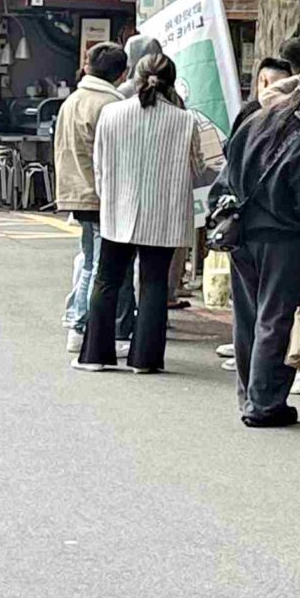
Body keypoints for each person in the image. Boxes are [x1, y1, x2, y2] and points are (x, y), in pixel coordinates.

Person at [76, 54, 224, 374]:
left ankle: (95, 356)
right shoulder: (185, 120)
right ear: (171, 81)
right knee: (154, 283)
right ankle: (145, 359)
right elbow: (200, 169)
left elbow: (99, 166)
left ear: (135, 76)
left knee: (107, 280)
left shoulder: (111, 113)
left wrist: (109, 196)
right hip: (166, 212)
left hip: (117, 208)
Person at [216, 61, 300, 426]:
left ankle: (248, 394)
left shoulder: (254, 120)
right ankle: (264, 403)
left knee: (247, 316)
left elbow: (227, 172)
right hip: (283, 237)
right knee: (275, 317)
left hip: (240, 231)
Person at [56, 42, 130, 359]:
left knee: (89, 261)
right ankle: (81, 325)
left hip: (75, 191)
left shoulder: (74, 100)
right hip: (100, 195)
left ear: (87, 67)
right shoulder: (109, 106)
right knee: (100, 265)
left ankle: (77, 321)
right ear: (122, 73)